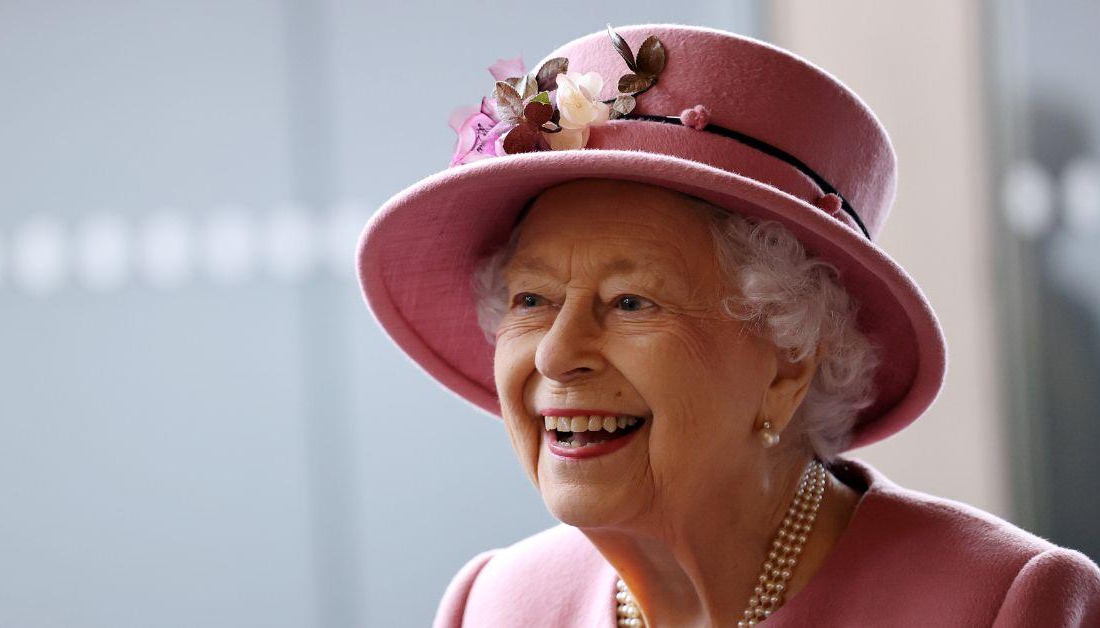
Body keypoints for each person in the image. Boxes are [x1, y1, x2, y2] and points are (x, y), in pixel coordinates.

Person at [355, 23, 1100, 627]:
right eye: (531, 301)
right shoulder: (494, 607)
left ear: (787, 362)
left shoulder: (1000, 605)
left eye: (629, 303)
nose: (556, 354)